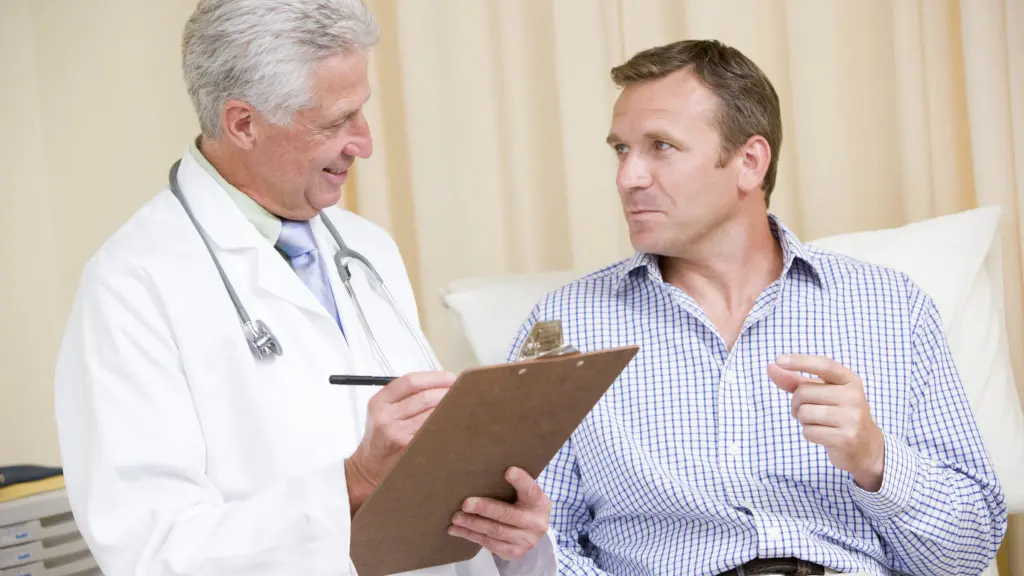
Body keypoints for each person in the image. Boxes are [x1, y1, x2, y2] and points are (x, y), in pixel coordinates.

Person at [52, 1, 555, 575]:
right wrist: (353, 481)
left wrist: (503, 530)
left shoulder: (368, 250)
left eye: (362, 113)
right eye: (336, 121)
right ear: (244, 123)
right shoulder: (132, 285)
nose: (363, 143)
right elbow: (151, 550)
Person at [506, 39, 1007, 576]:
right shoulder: (563, 328)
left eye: (661, 147)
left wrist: (876, 460)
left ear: (749, 162)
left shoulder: (892, 308)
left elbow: (967, 555)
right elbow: (531, 543)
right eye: (621, 149)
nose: (628, 177)